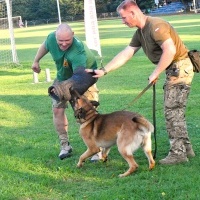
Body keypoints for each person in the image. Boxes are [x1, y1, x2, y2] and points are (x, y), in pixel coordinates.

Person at [87, 0, 195, 165]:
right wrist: (104, 70)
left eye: (123, 17)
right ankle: (186, 149)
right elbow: (127, 53)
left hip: (180, 67)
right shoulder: (140, 32)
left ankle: (178, 154)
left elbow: (170, 50)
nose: (123, 21)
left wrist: (155, 72)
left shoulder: (156, 26)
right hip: (173, 68)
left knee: (172, 111)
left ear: (133, 13)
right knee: (174, 110)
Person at [31, 23, 99, 160]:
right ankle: (65, 146)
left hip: (84, 77)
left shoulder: (78, 50)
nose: (63, 44)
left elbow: (79, 75)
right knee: (57, 109)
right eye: (60, 41)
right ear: (55, 37)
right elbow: (45, 45)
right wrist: (36, 61)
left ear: (73, 35)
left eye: (67, 40)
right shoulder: (51, 38)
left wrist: (68, 89)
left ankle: (97, 148)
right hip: (63, 77)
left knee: (86, 112)